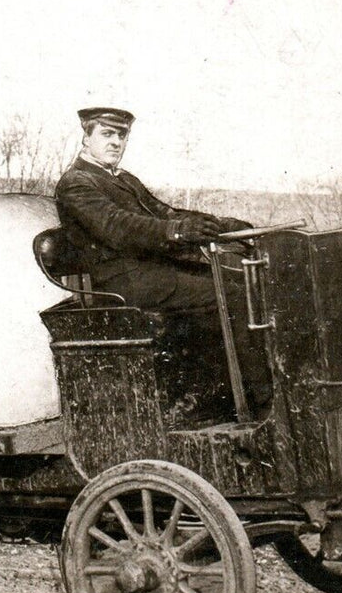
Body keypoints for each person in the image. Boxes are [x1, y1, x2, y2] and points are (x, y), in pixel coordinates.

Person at [53, 107, 274, 411]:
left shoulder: (124, 180)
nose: (116, 142)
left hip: (150, 272)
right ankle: (263, 401)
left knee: (241, 281)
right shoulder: (76, 182)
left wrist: (218, 224)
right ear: (86, 138)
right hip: (124, 281)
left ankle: (223, 394)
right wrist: (177, 232)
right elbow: (118, 225)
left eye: (122, 135)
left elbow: (164, 213)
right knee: (232, 294)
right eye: (107, 134)